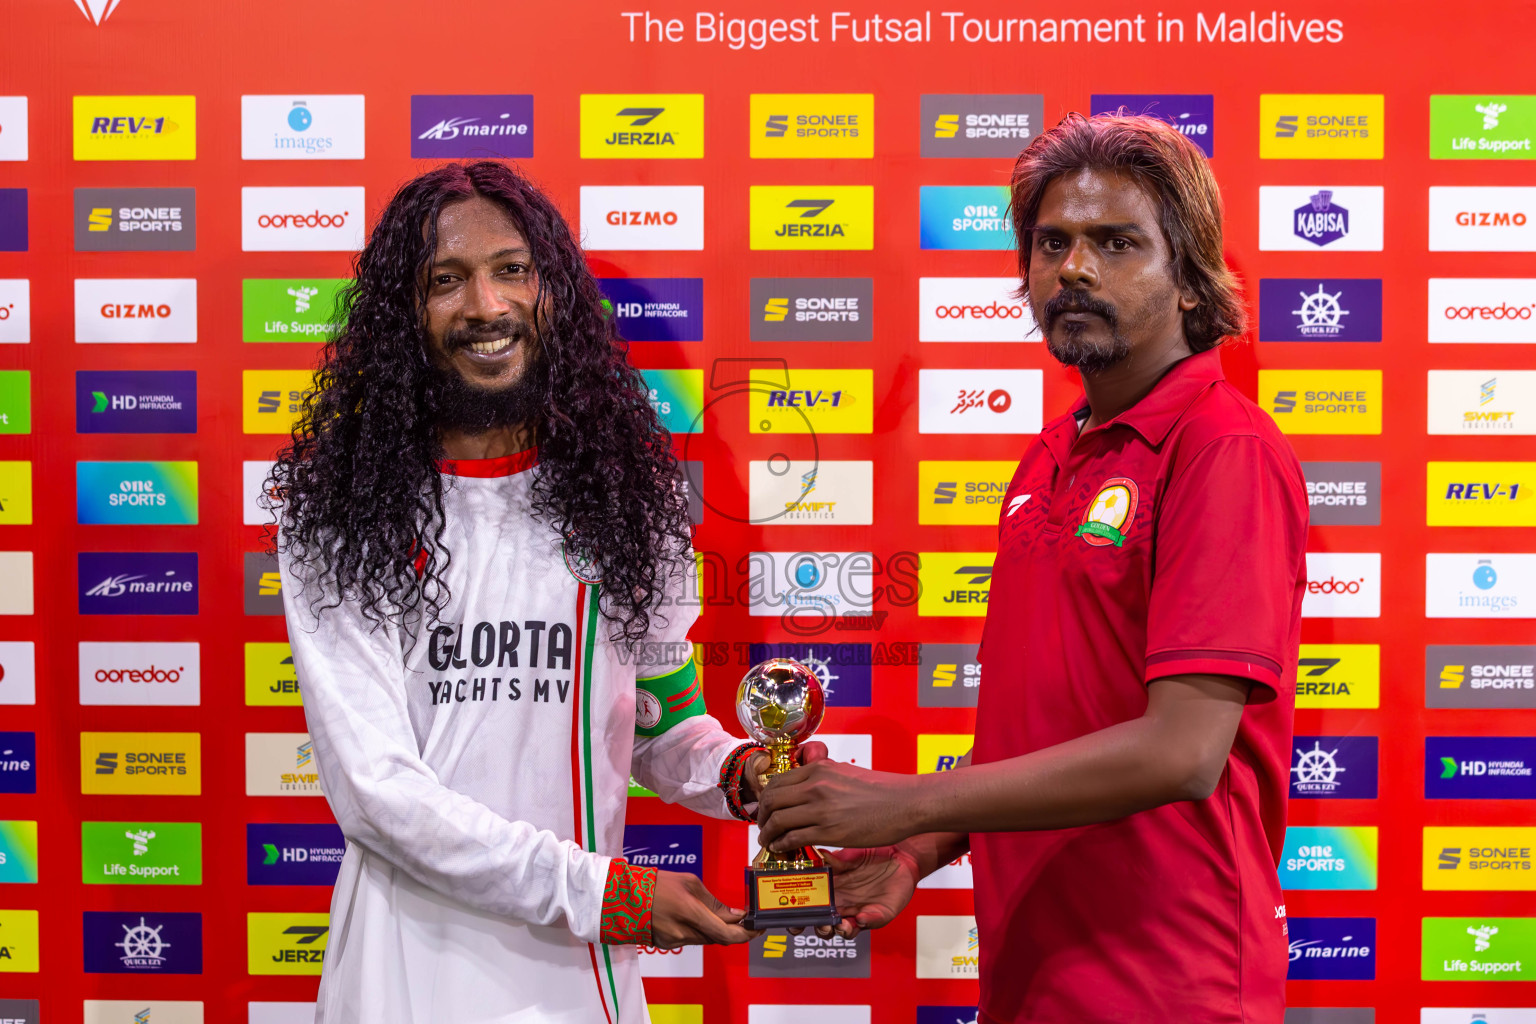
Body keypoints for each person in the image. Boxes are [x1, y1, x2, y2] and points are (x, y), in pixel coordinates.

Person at [758, 112, 1308, 1023]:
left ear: (1190, 279)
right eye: (1052, 243)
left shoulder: (1223, 449)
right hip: (1030, 974)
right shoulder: (1051, 455)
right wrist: (919, 847)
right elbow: (1046, 722)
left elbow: (1181, 752)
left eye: (1118, 243)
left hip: (1170, 985)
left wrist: (907, 801)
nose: (1075, 269)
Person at [270, 161, 769, 1024]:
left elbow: (654, 720)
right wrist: (601, 892)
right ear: (404, 316)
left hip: (580, 977)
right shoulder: (338, 517)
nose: (485, 307)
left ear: (553, 295)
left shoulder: (627, 504)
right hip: (409, 969)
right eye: (445, 280)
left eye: (512, 271)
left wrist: (743, 773)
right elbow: (378, 793)